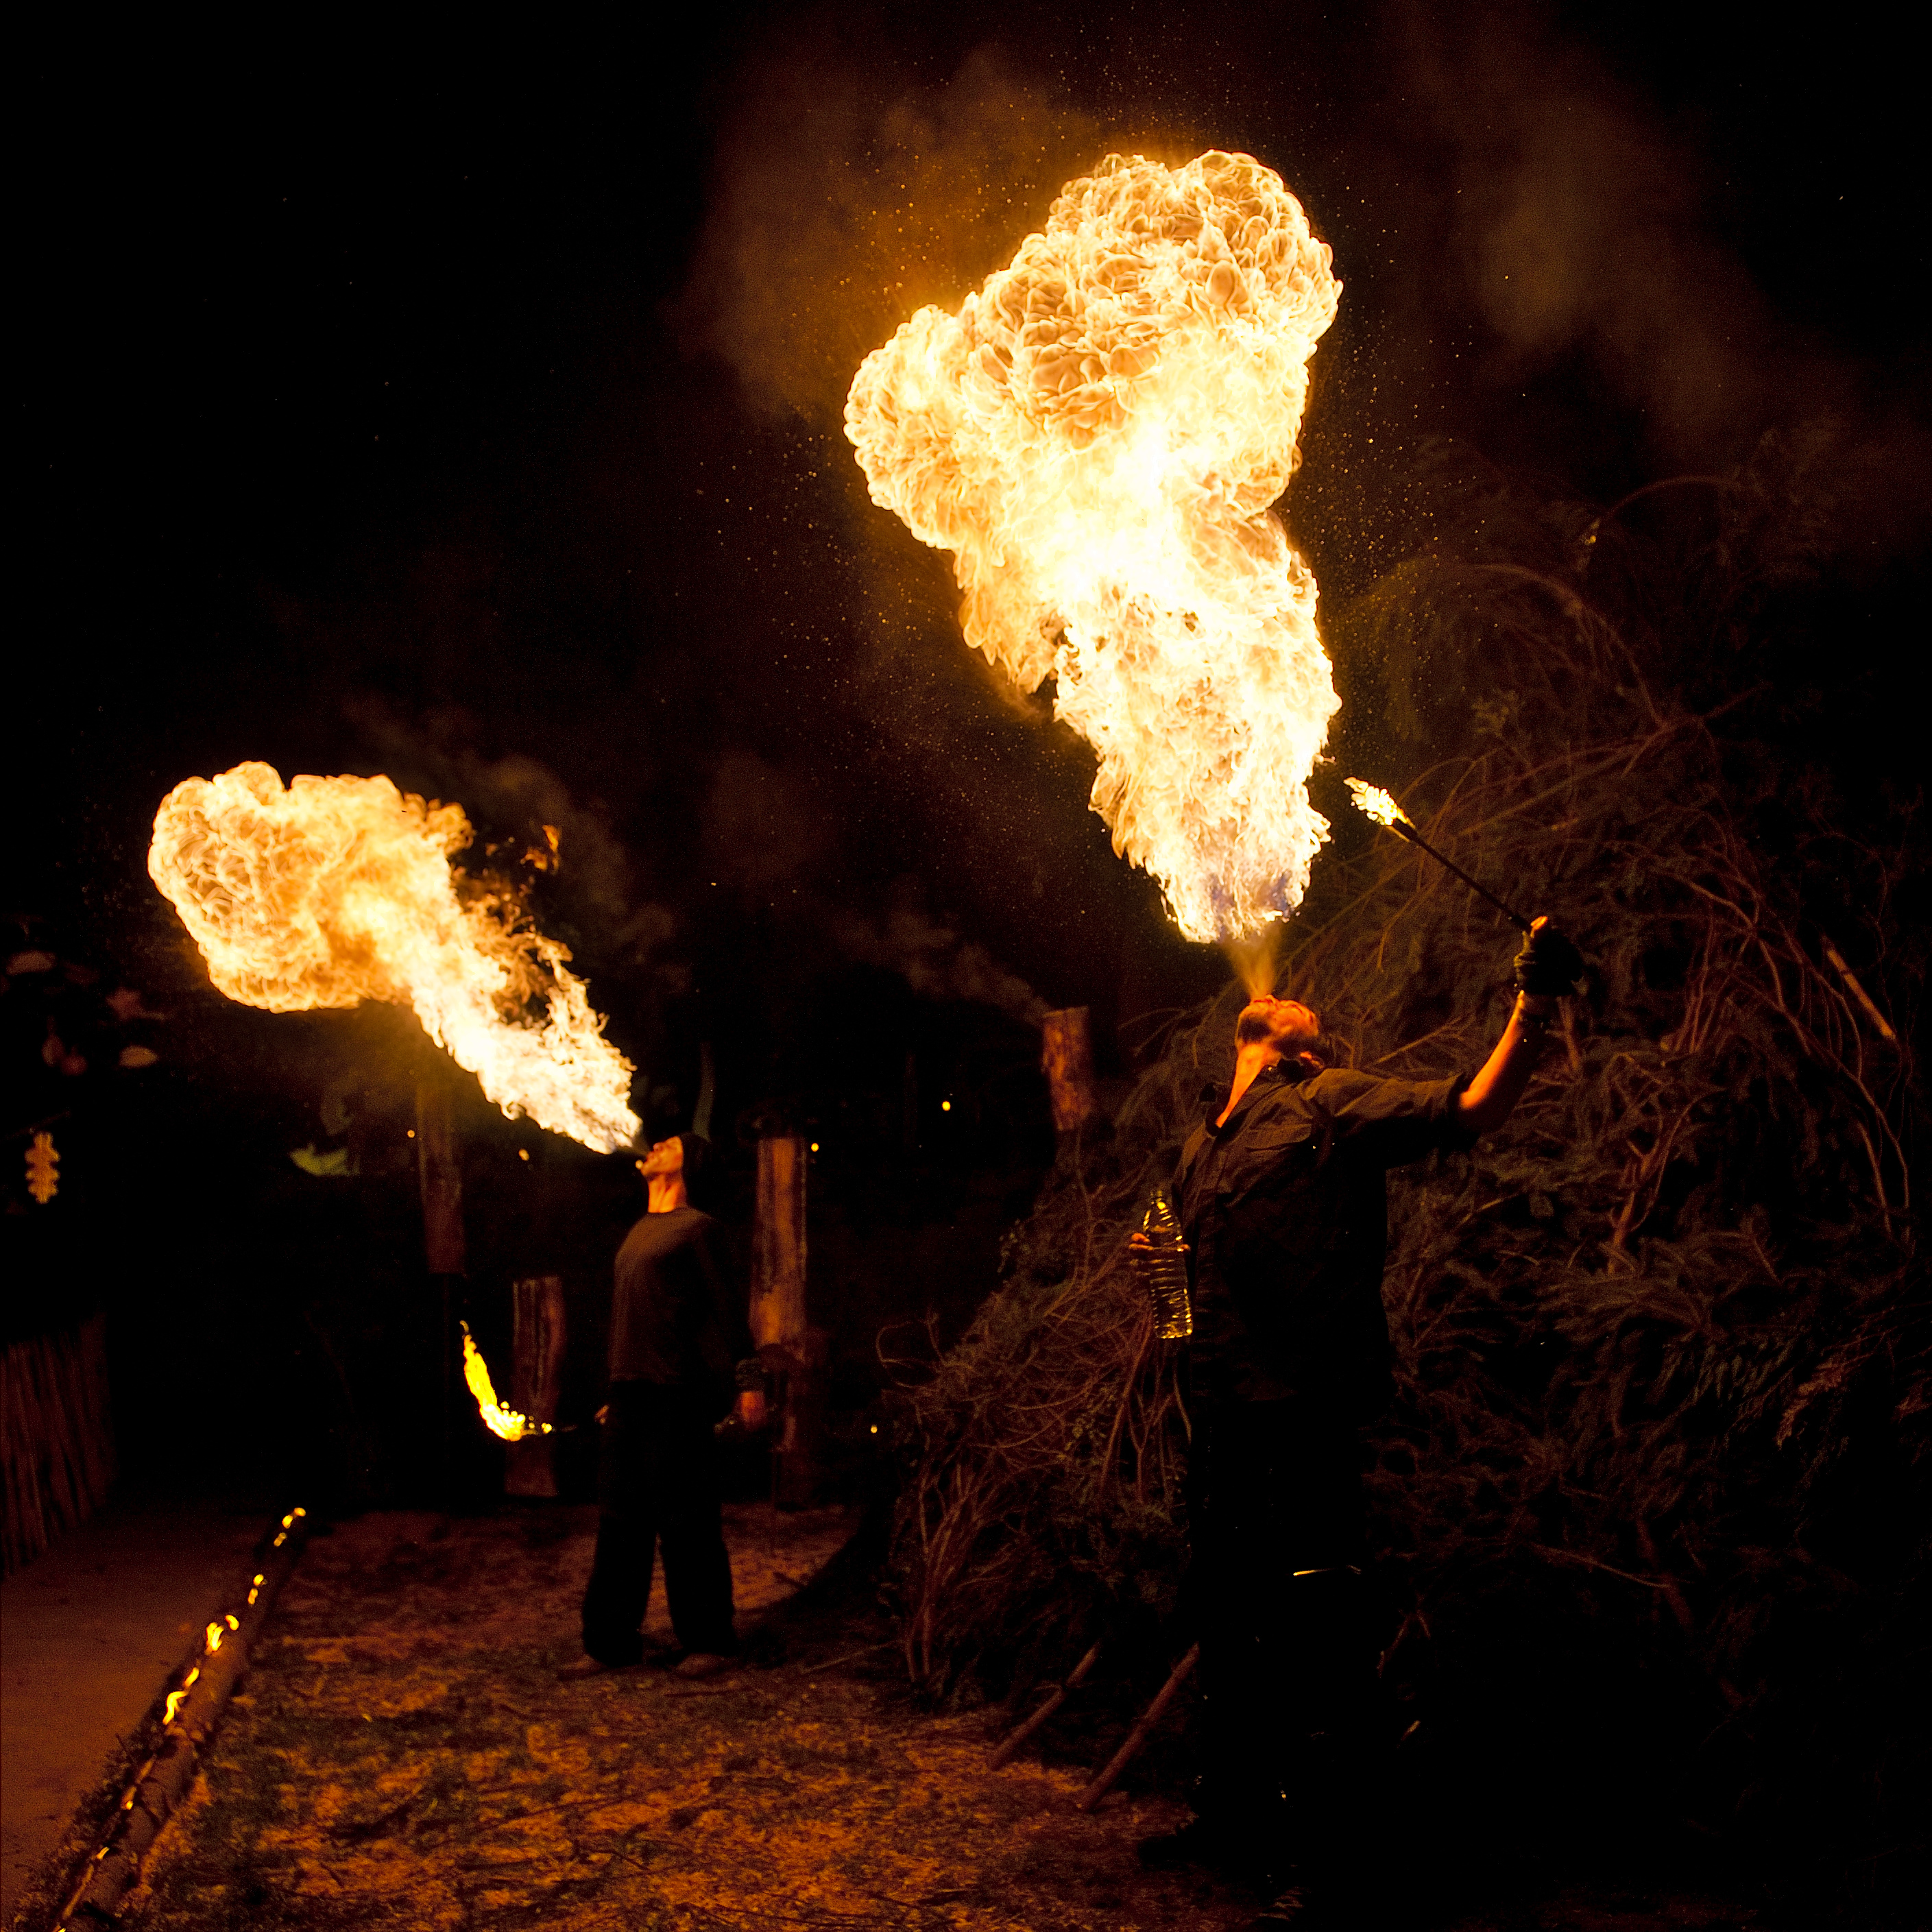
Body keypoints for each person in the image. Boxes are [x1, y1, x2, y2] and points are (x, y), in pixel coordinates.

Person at [1136, 918, 1584, 1928]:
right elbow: (1185, 1297)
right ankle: (1231, 1819)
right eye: (1277, 1000)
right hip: (1218, 1417)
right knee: (1226, 1620)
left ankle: (1328, 1860)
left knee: (1317, 1637)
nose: (1282, 994)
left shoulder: (1327, 1102)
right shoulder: (1200, 1145)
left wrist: (1531, 1001)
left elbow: (1470, 1107)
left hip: (1302, 1414)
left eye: (1303, 1012)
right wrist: (1162, 1272)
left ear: (1305, 1049)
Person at [561, 1131, 767, 1682]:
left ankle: (711, 1641)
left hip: (677, 1393)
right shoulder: (641, 1230)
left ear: (690, 1163)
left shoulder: (699, 1229)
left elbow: (728, 1311)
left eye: (669, 1144)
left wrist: (749, 1381)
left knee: (686, 1521)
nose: (653, 1147)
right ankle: (611, 1644)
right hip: (631, 1394)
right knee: (619, 1522)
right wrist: (618, 1390)